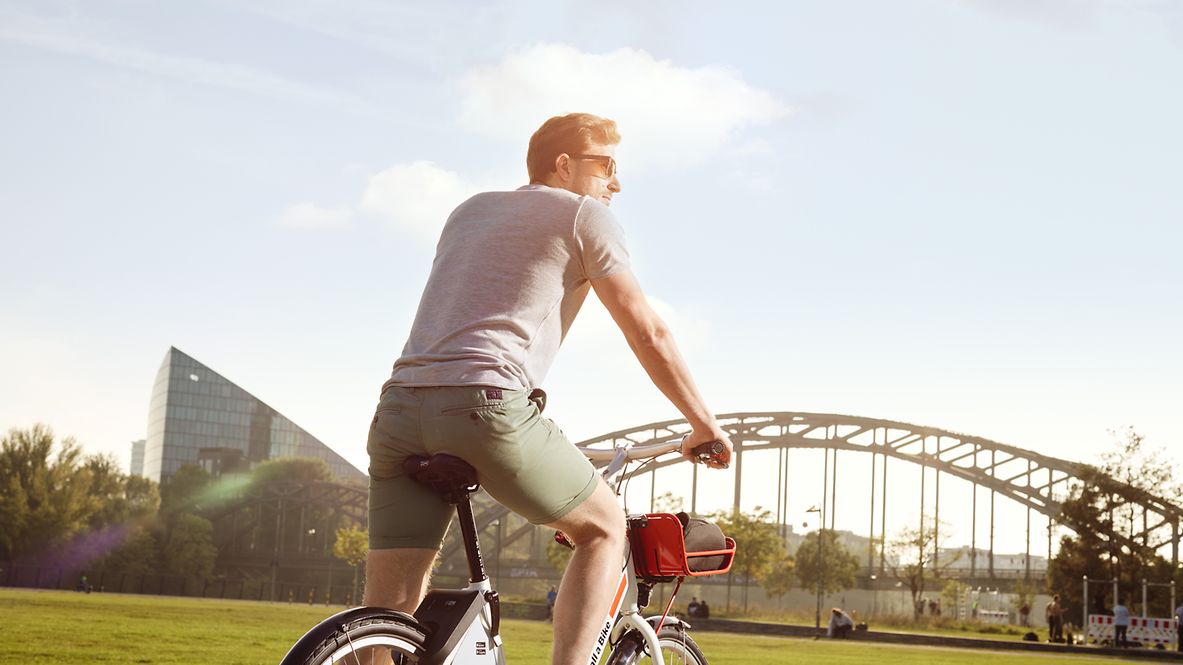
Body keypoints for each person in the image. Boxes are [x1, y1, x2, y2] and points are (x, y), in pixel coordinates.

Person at [362, 113, 735, 665]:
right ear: (564, 164)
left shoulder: (469, 212)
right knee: (604, 529)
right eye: (607, 165)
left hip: (397, 410)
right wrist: (704, 424)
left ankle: (362, 647)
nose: (616, 182)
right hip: (486, 405)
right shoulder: (588, 217)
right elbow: (646, 330)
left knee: (388, 607)